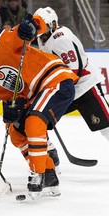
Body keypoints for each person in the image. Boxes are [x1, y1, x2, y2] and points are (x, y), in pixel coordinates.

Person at [0, 14, 79, 198]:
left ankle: (37, 174)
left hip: (54, 79)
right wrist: (13, 109)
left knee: (34, 121)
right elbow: (16, 97)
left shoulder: (3, 41)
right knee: (16, 131)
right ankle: (49, 176)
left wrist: (33, 27)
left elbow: (35, 23)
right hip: (36, 93)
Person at [34, 7, 109, 142]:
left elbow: (75, 71)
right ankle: (47, 152)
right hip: (67, 90)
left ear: (53, 24)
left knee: (106, 127)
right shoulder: (43, 38)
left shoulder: (61, 39)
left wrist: (51, 86)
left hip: (85, 87)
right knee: (38, 118)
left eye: (41, 25)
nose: (38, 28)